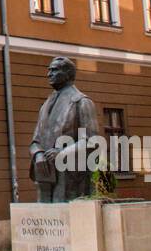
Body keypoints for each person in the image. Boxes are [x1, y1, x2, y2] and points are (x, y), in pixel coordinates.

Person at [28, 56, 100, 202]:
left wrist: (62, 152)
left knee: (67, 220)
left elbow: (91, 142)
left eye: (54, 70)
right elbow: (35, 140)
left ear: (67, 74)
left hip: (70, 178)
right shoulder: (46, 105)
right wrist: (38, 155)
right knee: (45, 219)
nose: (49, 74)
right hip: (45, 175)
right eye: (49, 70)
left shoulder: (81, 102)